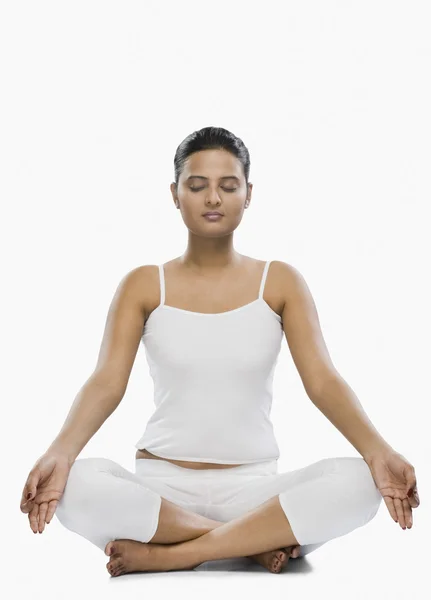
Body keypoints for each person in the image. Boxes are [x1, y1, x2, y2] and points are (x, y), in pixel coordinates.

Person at [20, 126, 420, 577]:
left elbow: (323, 381)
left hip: (254, 491)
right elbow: (107, 382)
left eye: (229, 186)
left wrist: (378, 451)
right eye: (197, 186)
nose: (213, 198)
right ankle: (247, 542)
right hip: (161, 492)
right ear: (175, 194)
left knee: (359, 482)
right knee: (78, 484)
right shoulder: (144, 283)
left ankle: (178, 552)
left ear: (249, 194)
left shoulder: (280, 281)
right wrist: (60, 452)